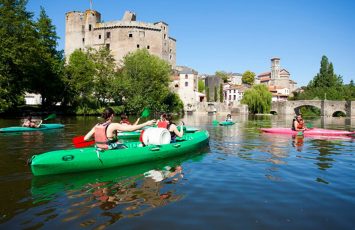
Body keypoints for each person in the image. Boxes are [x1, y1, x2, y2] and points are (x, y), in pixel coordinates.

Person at [84, 107, 155, 150]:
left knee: (120, 144)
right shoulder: (113, 125)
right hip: (110, 149)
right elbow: (131, 129)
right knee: (126, 147)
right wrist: (146, 123)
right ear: (112, 115)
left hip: (99, 148)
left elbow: (86, 138)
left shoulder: (97, 125)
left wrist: (97, 138)